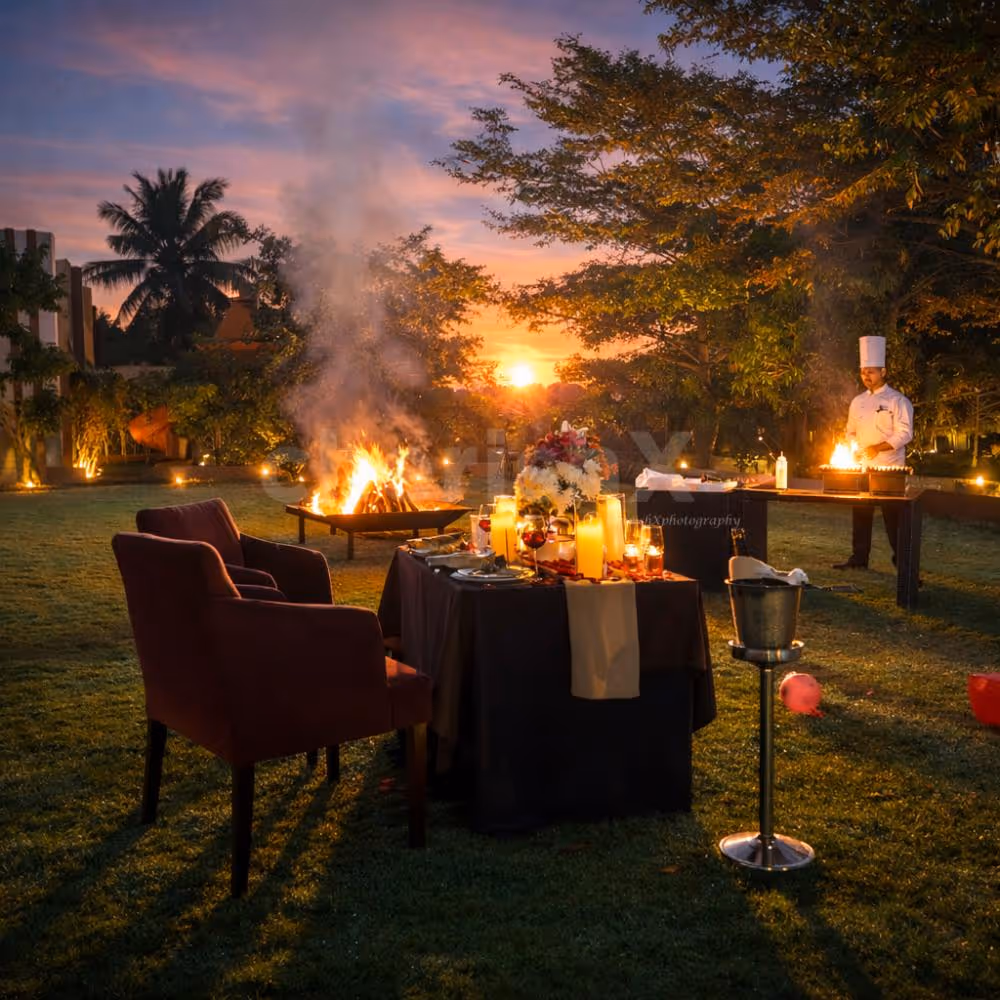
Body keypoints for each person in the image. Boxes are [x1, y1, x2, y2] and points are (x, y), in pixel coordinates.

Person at [832, 336, 914, 570]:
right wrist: (854, 448)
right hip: (863, 468)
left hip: (889, 469)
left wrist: (876, 448)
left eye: (871, 372)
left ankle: (903, 562)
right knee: (860, 513)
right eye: (863, 372)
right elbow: (850, 431)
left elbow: (905, 434)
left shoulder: (898, 400)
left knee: (893, 518)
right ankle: (859, 558)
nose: (866, 376)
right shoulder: (857, 402)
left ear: (883, 372)